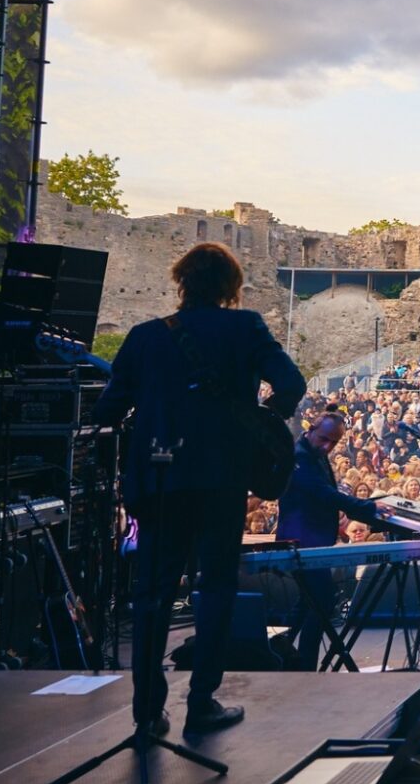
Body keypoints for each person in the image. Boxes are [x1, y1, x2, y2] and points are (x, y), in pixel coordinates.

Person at [96, 242, 304, 738]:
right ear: (230, 286)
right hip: (221, 479)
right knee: (215, 589)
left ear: (181, 282)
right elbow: (291, 384)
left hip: (159, 480)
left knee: (152, 596)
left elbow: (106, 411)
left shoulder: (145, 337)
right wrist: (257, 422)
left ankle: (147, 713)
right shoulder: (245, 327)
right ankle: (201, 702)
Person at [277, 408, 398, 670]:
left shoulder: (315, 454)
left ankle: (279, 651)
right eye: (324, 439)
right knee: (322, 599)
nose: (328, 446)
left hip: (313, 538)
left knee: (308, 601)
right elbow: (325, 494)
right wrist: (368, 507)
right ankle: (303, 662)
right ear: (311, 430)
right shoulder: (299, 457)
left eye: (334, 442)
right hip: (301, 540)